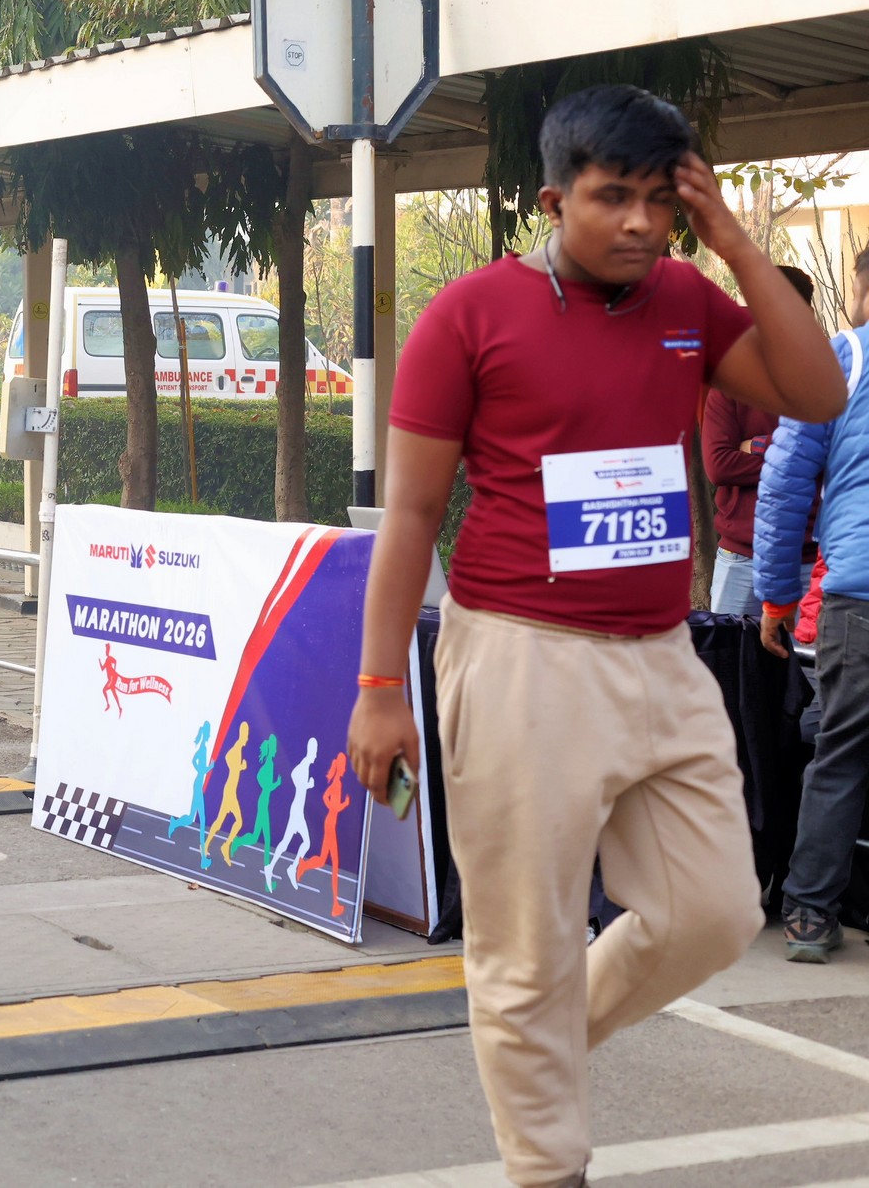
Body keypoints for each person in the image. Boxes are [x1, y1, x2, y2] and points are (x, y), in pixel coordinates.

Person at [347, 85, 845, 1188]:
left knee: (715, 909)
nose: (637, 222)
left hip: (660, 655)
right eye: (611, 196)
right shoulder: (468, 315)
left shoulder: (686, 298)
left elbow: (815, 393)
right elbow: (411, 515)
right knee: (524, 944)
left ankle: (538, 1038)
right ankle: (546, 1159)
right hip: (518, 656)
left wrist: (731, 241)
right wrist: (379, 685)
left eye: (658, 201)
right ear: (552, 200)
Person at [753, 244, 869, 963]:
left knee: (842, 751)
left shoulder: (842, 358)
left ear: (864, 286)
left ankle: (808, 912)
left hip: (857, 593)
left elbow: (784, 481)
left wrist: (777, 594)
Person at [703, 264, 821, 615]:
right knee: (730, 650)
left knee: (812, 654)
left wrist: (755, 446)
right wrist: (799, 457)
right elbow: (719, 465)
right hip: (742, 557)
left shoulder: (828, 379)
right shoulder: (731, 380)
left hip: (812, 558)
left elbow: (832, 454)